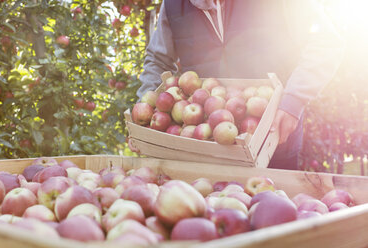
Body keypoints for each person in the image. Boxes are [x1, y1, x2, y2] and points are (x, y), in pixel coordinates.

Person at [136, 0, 344, 170]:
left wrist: (294, 101)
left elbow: (325, 43)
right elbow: (157, 60)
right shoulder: (173, 5)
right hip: (206, 143)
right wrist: (143, 114)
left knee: (274, 209)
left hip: (272, 133)